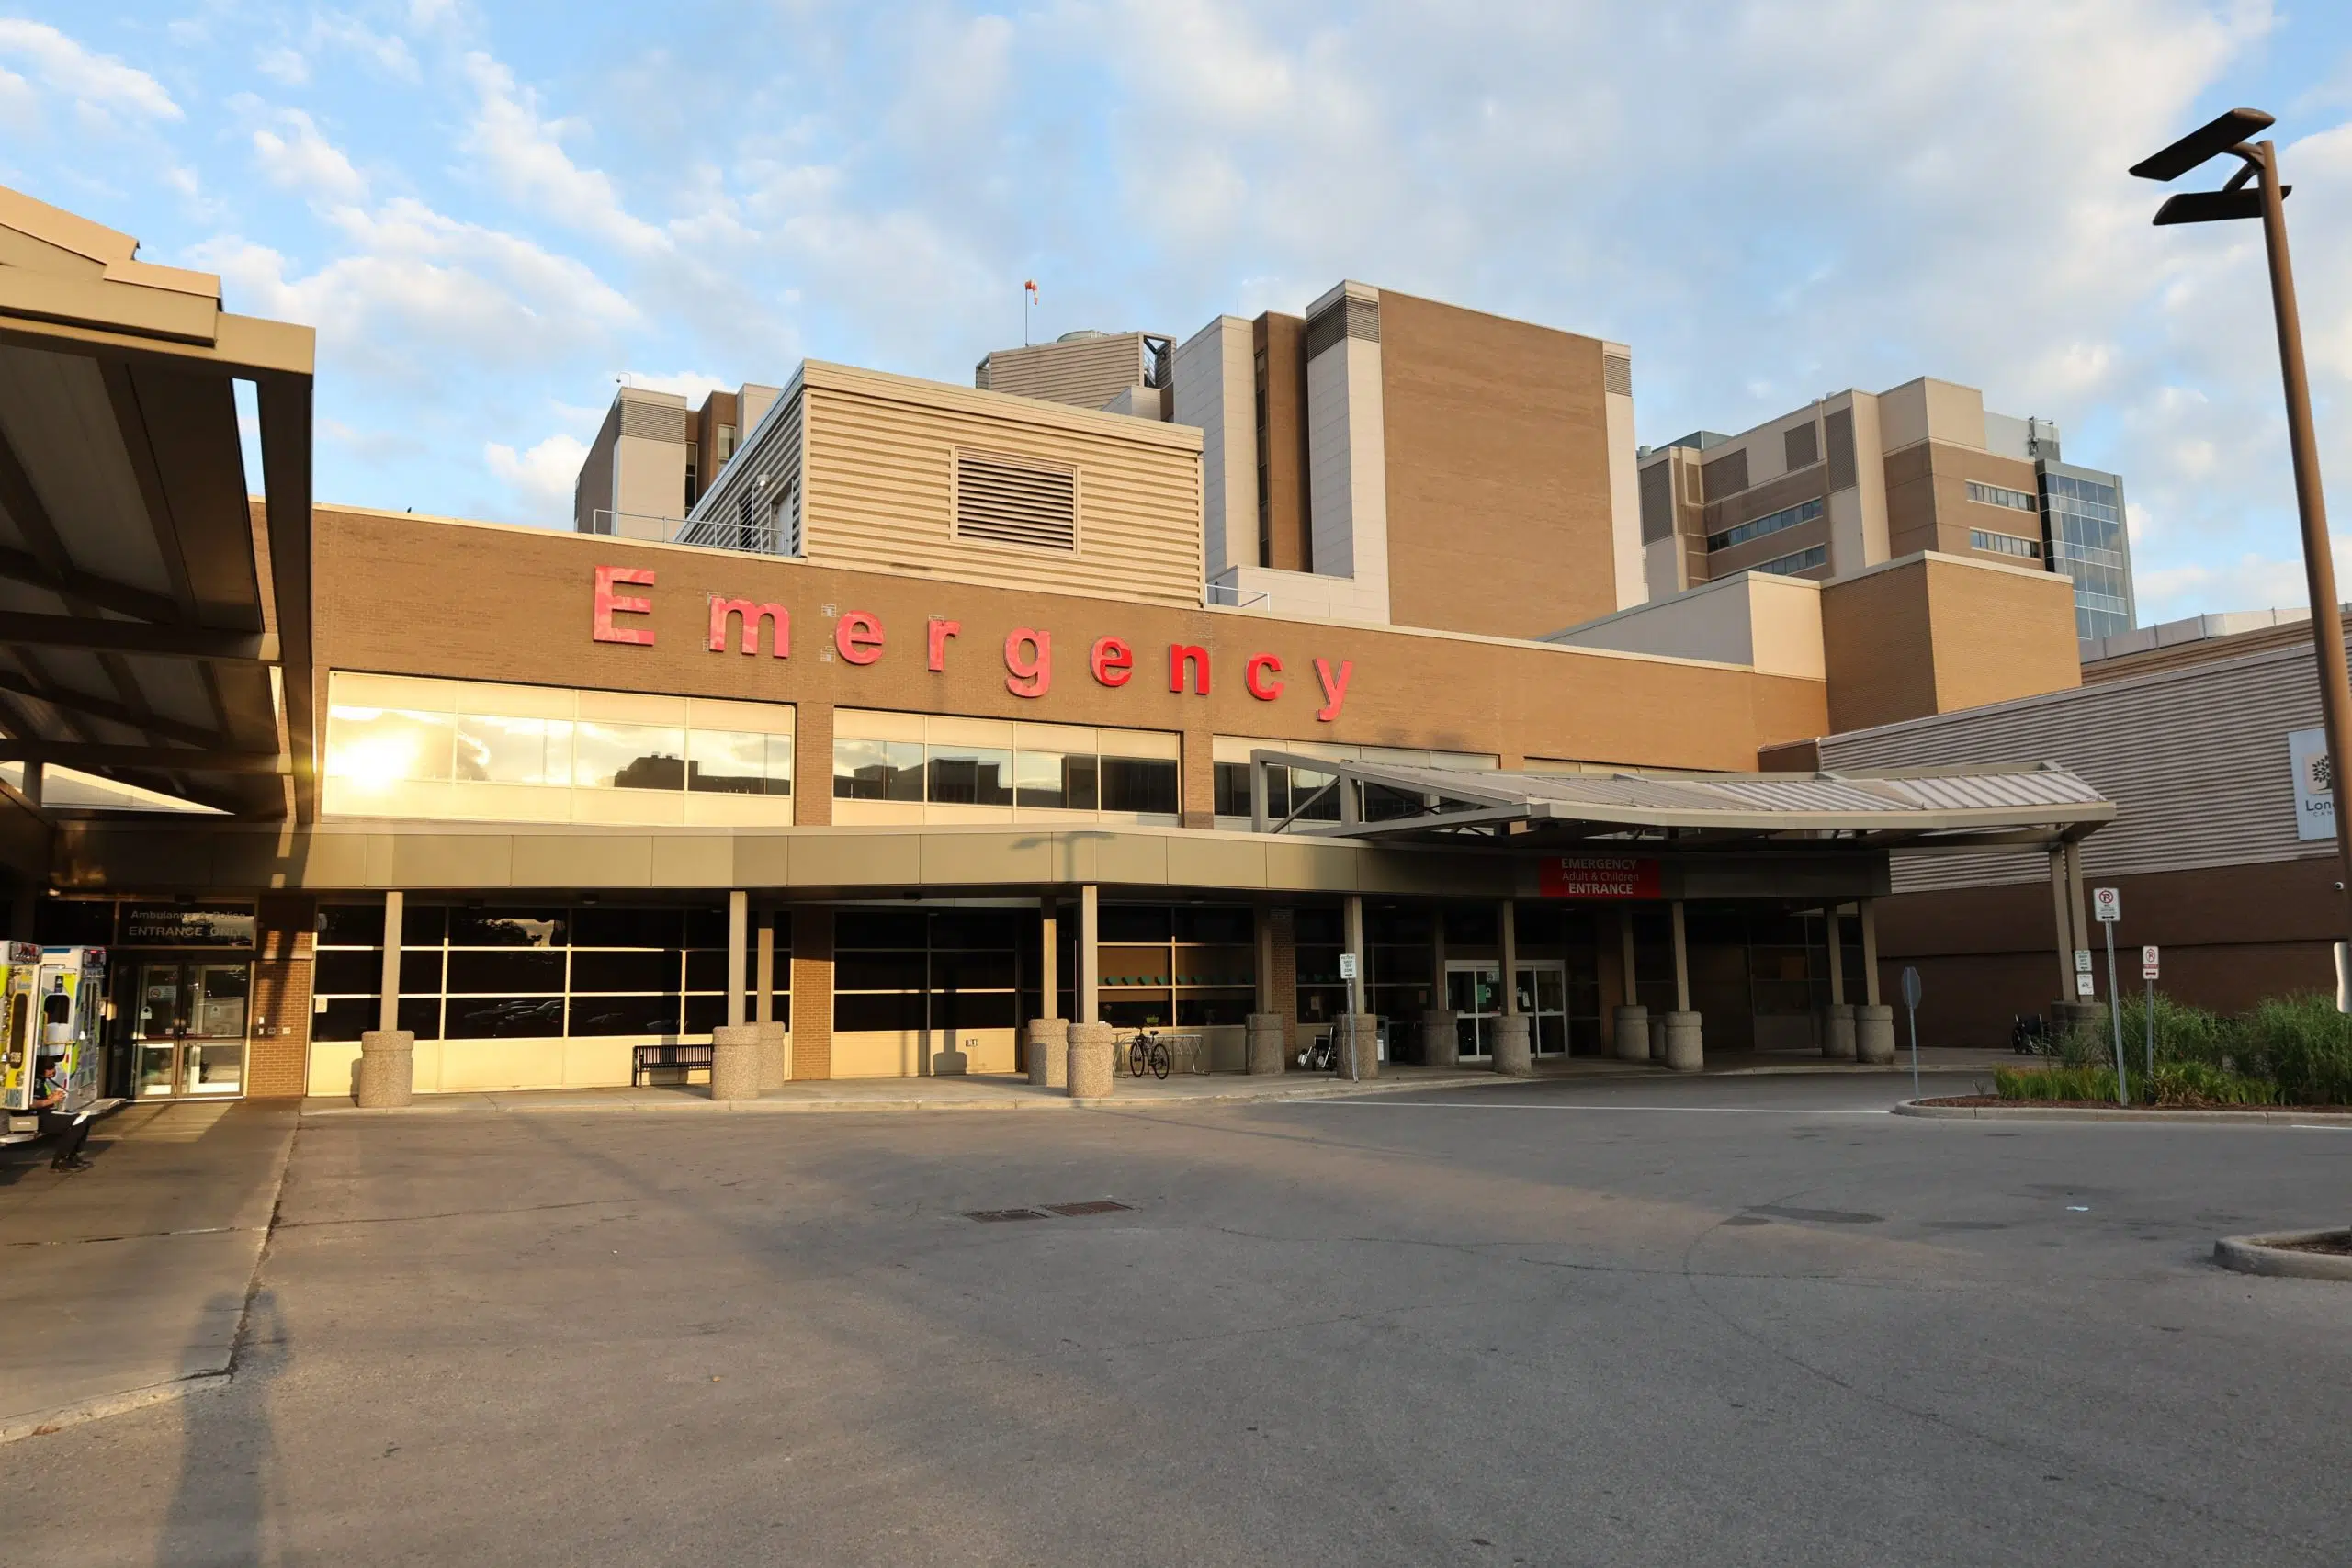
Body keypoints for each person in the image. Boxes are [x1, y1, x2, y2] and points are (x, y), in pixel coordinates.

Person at [32, 1054, 91, 1172]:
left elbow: (39, 1098)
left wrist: (50, 1097)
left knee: (84, 1119)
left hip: (44, 1114)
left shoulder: (40, 1080)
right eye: (49, 1069)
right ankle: (61, 1161)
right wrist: (52, 1100)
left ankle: (72, 1156)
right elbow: (31, 1103)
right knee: (78, 1121)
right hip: (38, 1117)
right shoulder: (35, 1082)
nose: (53, 1071)